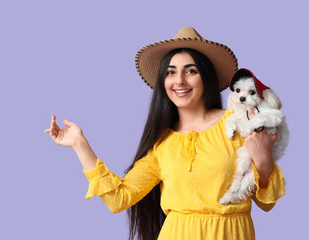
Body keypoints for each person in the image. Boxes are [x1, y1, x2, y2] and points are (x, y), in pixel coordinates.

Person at [44, 27, 285, 240]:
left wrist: (263, 159)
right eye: (170, 72)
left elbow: (267, 203)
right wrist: (79, 144)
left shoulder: (238, 122)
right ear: (163, 81)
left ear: (206, 77)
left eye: (190, 71)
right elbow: (118, 200)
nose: (179, 80)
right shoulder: (161, 145)